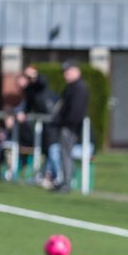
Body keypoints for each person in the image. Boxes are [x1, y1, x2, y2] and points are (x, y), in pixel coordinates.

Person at [49, 61, 89, 193]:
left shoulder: (79, 87)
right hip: (67, 126)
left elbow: (75, 112)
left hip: (71, 127)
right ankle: (64, 181)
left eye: (68, 72)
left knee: (66, 154)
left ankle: (67, 183)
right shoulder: (71, 87)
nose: (66, 75)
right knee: (63, 154)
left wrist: (64, 122)